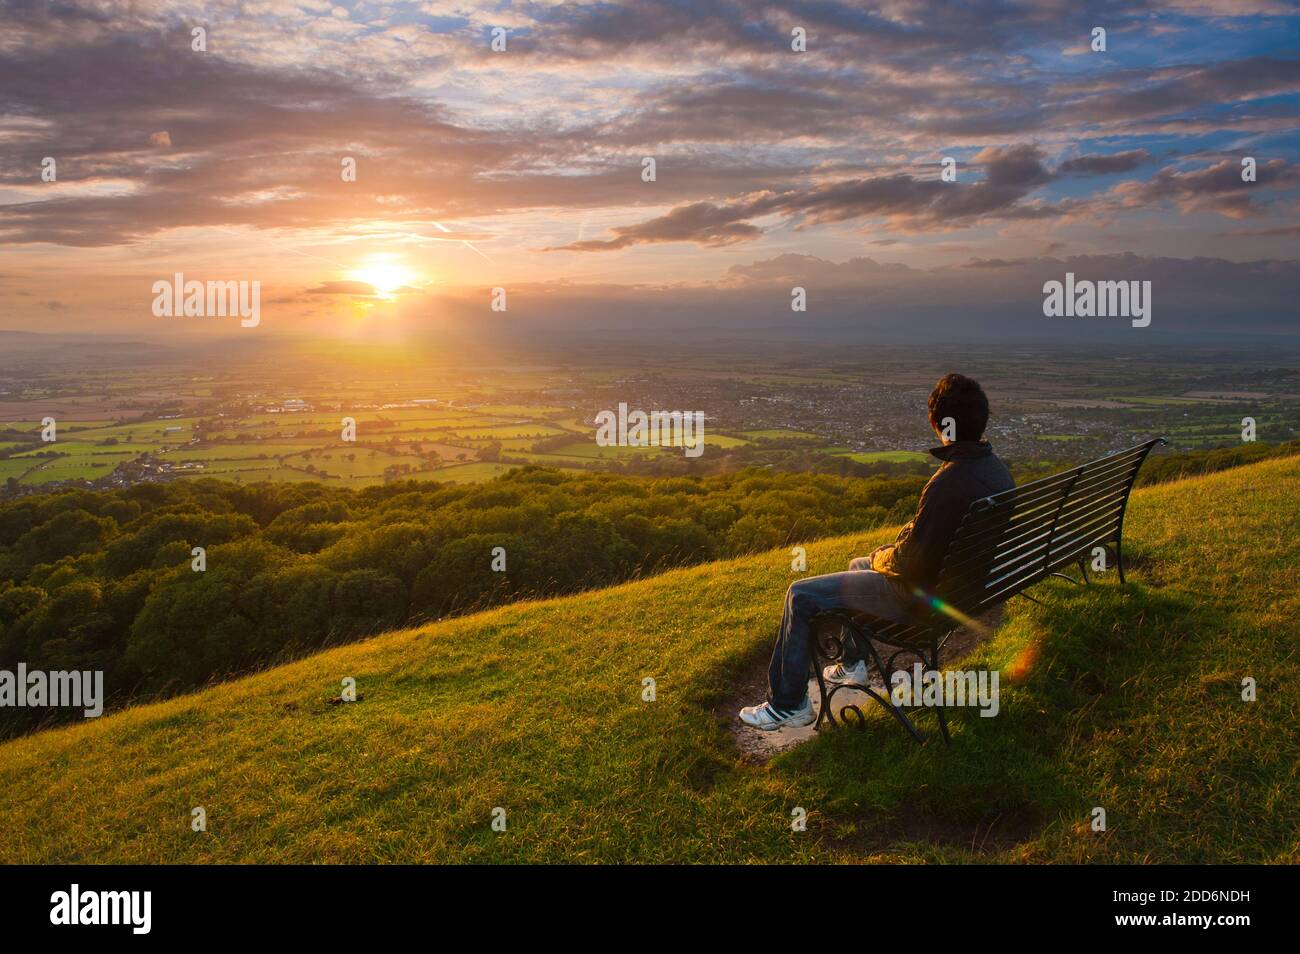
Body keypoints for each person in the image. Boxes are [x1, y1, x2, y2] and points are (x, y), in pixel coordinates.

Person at [739, 373, 1014, 730]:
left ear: (939, 424)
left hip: (920, 601)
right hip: (964, 593)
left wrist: (884, 554)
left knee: (800, 594)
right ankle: (852, 665)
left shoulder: (949, 482)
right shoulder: (996, 472)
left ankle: (788, 705)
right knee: (858, 564)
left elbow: (908, 564)